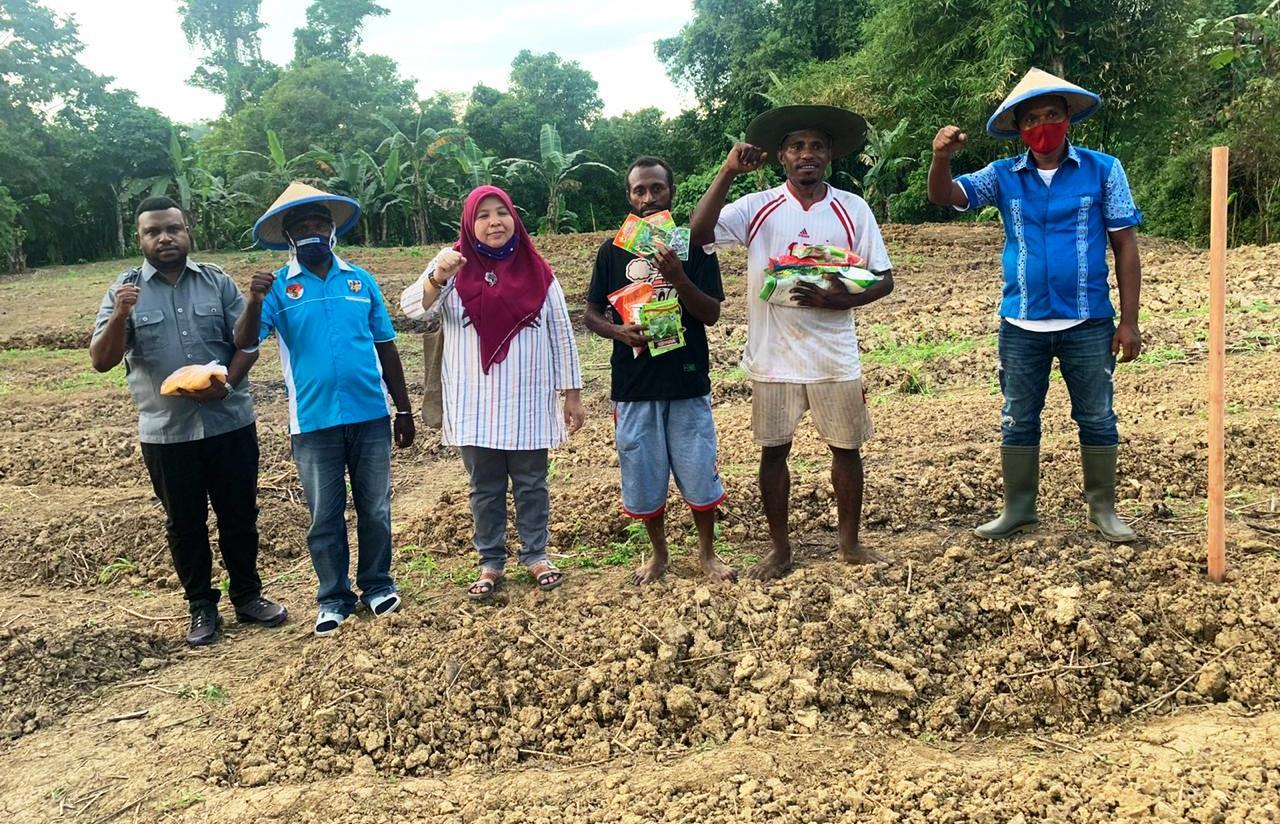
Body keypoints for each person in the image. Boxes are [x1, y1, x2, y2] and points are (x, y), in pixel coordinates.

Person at [926, 68, 1142, 542]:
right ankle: (1018, 508)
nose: (1042, 125)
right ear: (1019, 128)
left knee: (1097, 416)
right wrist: (941, 158)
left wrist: (1129, 322)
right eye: (1031, 119)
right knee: (1018, 417)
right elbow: (944, 196)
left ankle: (1103, 509)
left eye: (1051, 114)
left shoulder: (1104, 170)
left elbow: (1125, 246)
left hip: (1089, 320)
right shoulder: (1003, 176)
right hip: (1021, 323)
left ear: (1068, 117)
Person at [689, 106, 895, 580]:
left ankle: (850, 543)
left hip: (833, 357)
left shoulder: (852, 209)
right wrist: (727, 172)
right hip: (774, 357)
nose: (807, 154)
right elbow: (699, 233)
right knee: (773, 452)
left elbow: (884, 279)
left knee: (847, 450)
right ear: (781, 155)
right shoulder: (756, 207)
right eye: (797, 146)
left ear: (830, 155)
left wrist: (840, 298)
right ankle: (780, 550)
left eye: (816, 146)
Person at [89, 196, 287, 646]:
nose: (164, 238)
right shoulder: (125, 290)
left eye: (172, 229)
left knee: (240, 514)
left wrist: (228, 386)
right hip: (167, 433)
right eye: (153, 232)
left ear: (187, 232)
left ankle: (248, 596)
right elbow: (101, 361)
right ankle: (201, 606)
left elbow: (246, 343)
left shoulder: (216, 282)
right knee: (184, 524)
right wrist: (120, 314)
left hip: (229, 422)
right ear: (139, 239)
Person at [234, 183, 416, 636]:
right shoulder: (278, 288)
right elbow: (245, 342)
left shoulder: (360, 280)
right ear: (288, 237)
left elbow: (386, 346)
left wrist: (404, 409)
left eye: (319, 223)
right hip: (313, 422)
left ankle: (377, 585)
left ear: (333, 231)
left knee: (375, 508)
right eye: (301, 227)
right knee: (324, 516)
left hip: (370, 414)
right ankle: (333, 598)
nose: (311, 232)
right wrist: (254, 300)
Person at [400, 185, 584, 600]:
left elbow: (561, 333)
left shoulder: (537, 269)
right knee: (484, 486)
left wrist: (572, 394)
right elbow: (412, 308)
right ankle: (491, 561)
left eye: (501, 212)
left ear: (513, 218)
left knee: (532, 482)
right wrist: (437, 275)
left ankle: (536, 554)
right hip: (474, 402)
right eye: (483, 215)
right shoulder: (452, 264)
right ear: (470, 223)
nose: (494, 222)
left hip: (528, 398)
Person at [584, 156, 733, 585]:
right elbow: (591, 314)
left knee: (698, 469)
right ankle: (659, 554)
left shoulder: (693, 246)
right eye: (639, 191)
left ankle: (707, 555)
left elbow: (711, 314)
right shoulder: (612, 250)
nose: (648, 198)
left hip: (686, 379)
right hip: (634, 385)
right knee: (643, 474)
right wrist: (618, 331)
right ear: (629, 197)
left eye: (657, 189)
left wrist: (678, 276)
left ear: (672, 192)